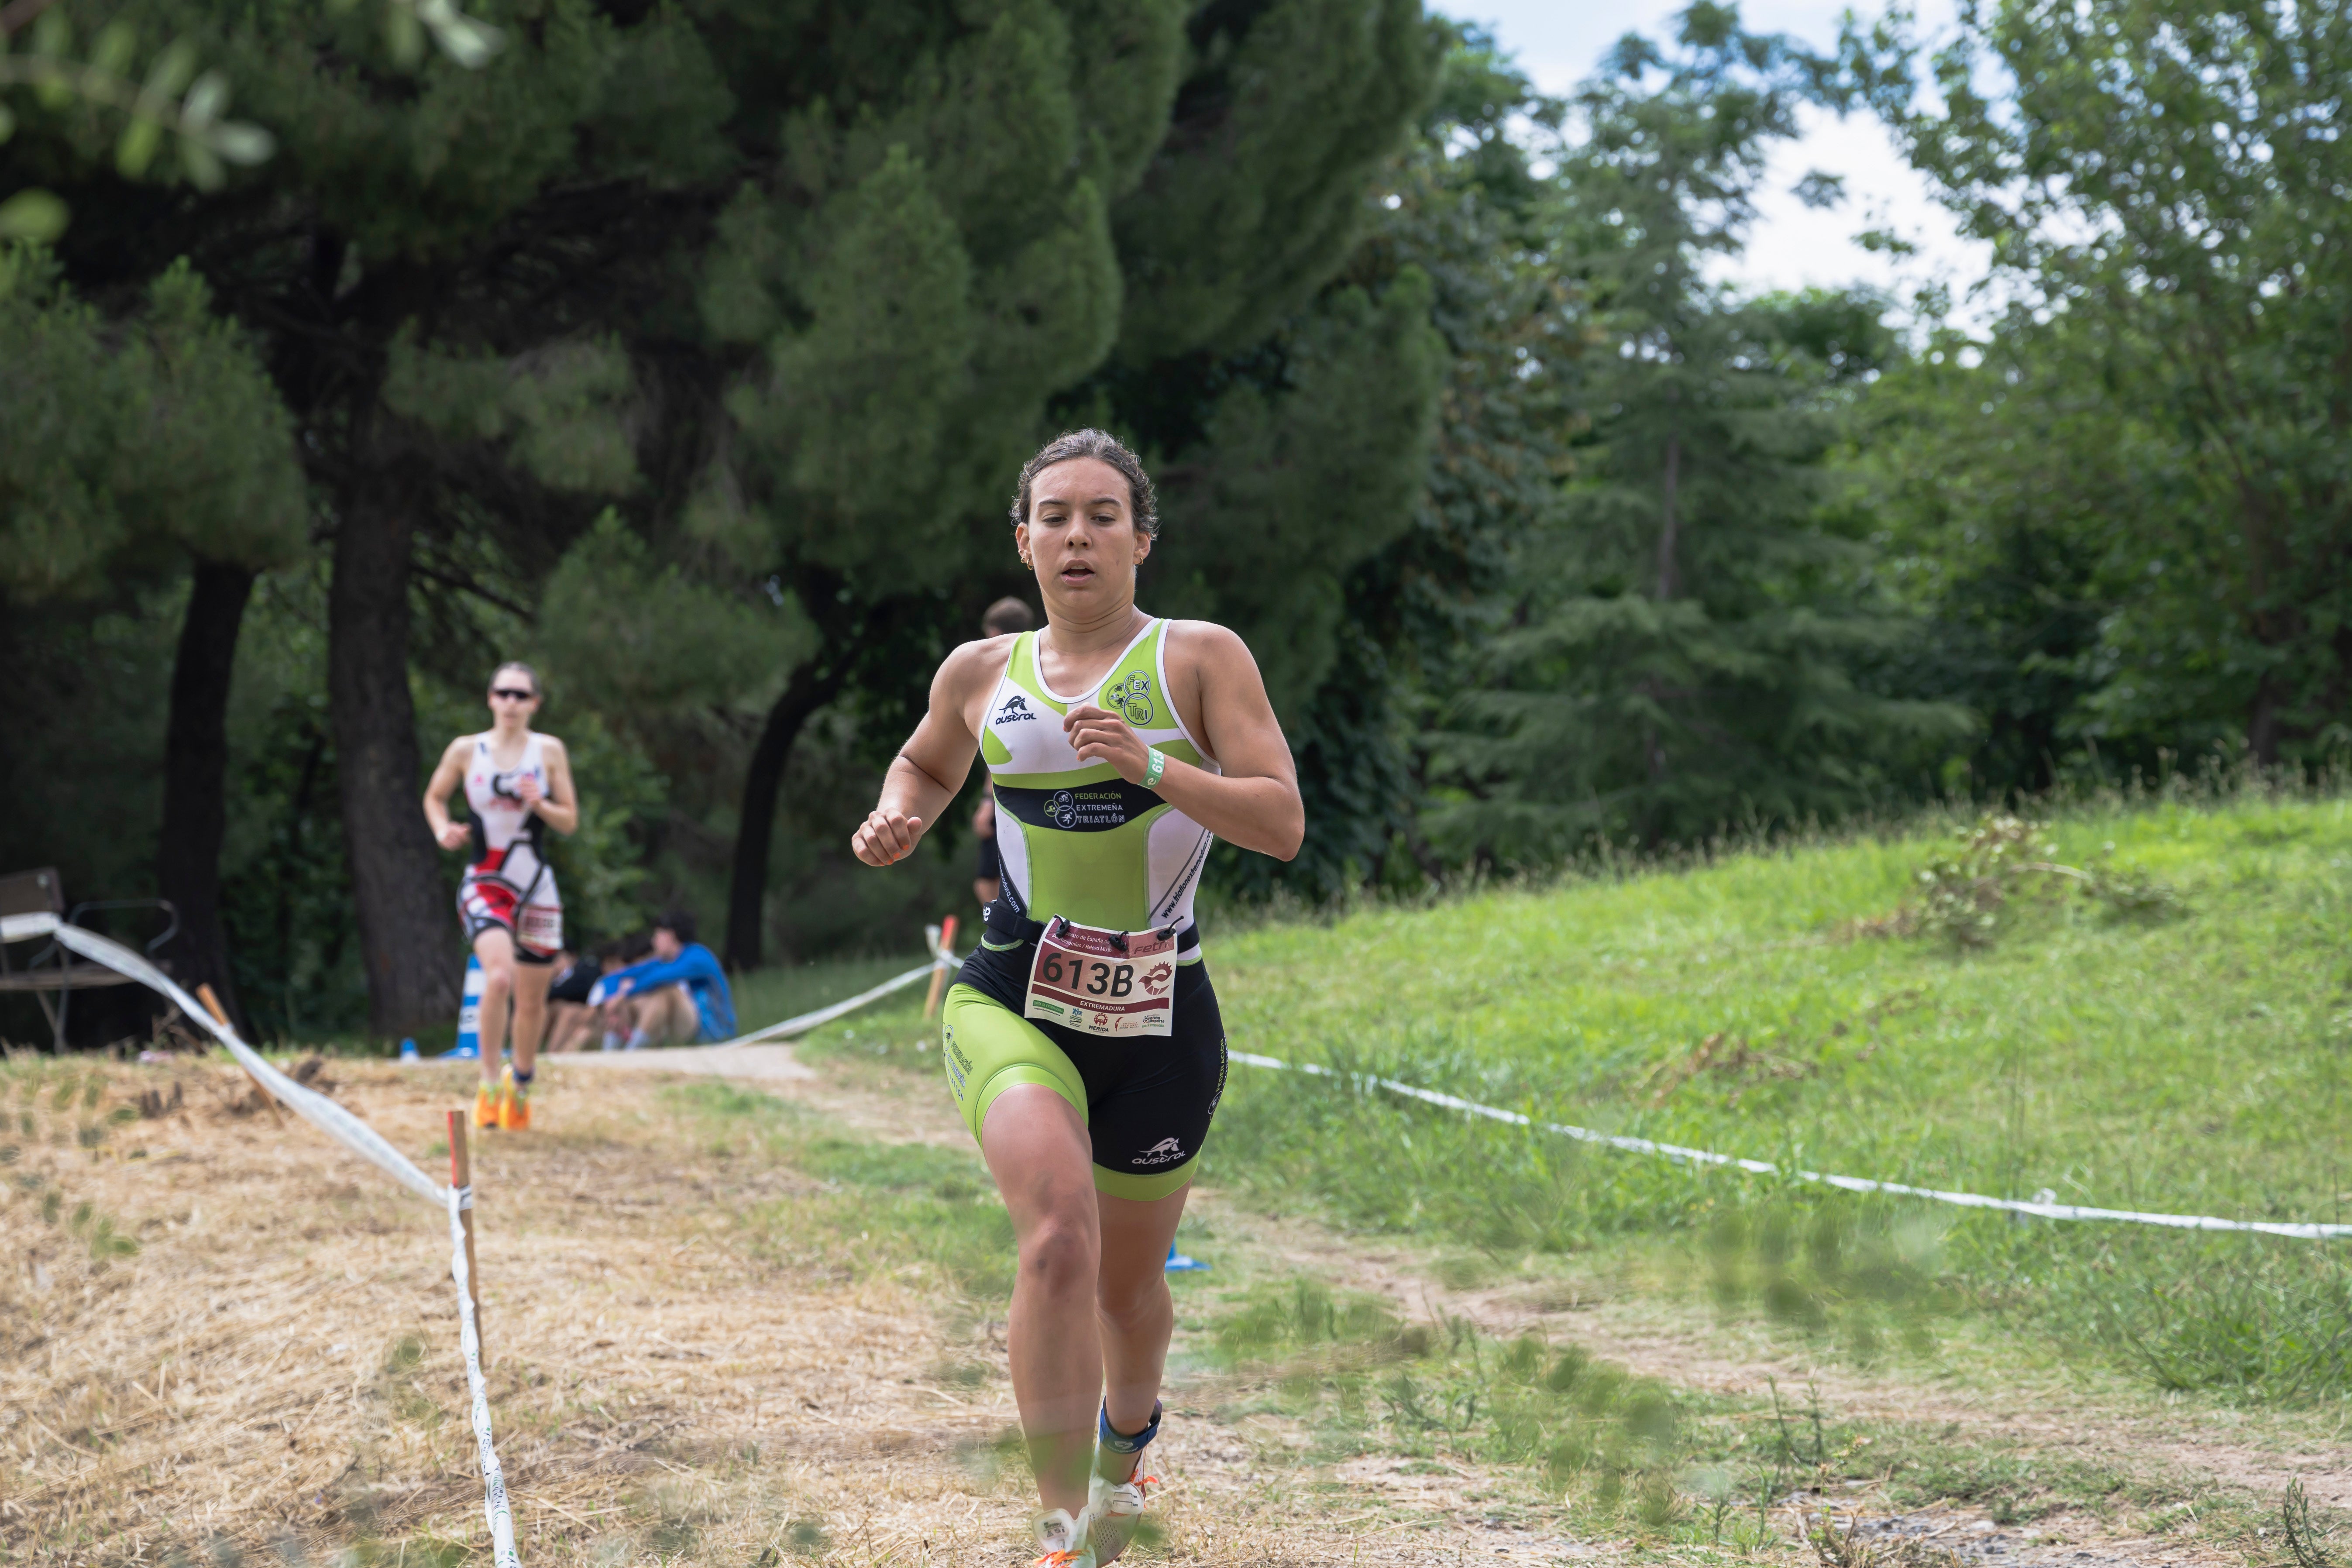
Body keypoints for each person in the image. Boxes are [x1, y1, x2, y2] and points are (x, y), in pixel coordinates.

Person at [850, 430, 1303, 1567]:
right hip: (1010, 993)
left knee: (1127, 1284)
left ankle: (1130, 1434)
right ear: (1024, 539)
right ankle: (1062, 1530)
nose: (1077, 536)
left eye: (1103, 515)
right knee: (1055, 1236)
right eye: (1054, 516)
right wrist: (895, 813)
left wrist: (1153, 766)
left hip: (1160, 1017)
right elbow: (924, 763)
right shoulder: (978, 674)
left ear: (1140, 538)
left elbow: (1280, 822)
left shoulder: (1199, 660)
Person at [423, 661, 578, 1132]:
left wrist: (541, 803)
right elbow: (434, 797)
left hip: (536, 887)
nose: (511, 702)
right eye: (503, 693)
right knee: (497, 978)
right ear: (490, 698)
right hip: (485, 882)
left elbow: (569, 821)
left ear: (535, 703)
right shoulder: (467, 750)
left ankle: (521, 1084)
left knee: (533, 1002)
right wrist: (442, 829)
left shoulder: (548, 751)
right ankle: (489, 1082)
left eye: (521, 695)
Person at [588, 911, 737, 1049]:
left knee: (666, 991)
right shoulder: (664, 960)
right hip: (686, 1027)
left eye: (657, 935)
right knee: (628, 995)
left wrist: (622, 996)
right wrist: (614, 1001)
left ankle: (632, 1052)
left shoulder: (698, 956)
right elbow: (616, 977)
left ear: (670, 935)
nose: (653, 941)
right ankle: (610, 1054)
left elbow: (659, 978)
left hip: (715, 1031)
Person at [971, 596, 1035, 912]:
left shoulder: (1005, 677)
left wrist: (987, 803)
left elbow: (1002, 750)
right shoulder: (1044, 666)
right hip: (1038, 794)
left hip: (1010, 795)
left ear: (996, 633)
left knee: (988, 880)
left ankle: (1007, 939)